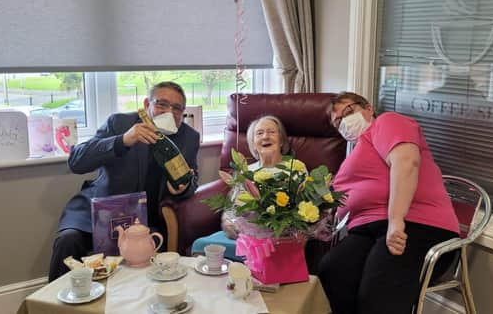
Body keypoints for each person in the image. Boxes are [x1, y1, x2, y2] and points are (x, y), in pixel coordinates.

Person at [319, 92, 460, 314]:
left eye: (348, 112)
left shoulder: (387, 122)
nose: (344, 121)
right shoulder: (356, 152)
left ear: (368, 108)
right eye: (338, 122)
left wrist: (396, 219)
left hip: (415, 224)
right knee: (332, 271)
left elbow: (406, 162)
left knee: (378, 295)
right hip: (367, 230)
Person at [48, 81, 200, 281]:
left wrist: (178, 188)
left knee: (153, 255)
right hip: (96, 213)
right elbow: (76, 161)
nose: (169, 112)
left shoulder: (189, 137)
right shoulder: (119, 123)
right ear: (147, 104)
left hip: (145, 221)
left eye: (177, 108)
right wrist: (122, 140)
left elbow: (191, 181)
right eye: (162, 104)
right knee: (68, 241)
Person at [191, 115, 306, 259]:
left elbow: (304, 207)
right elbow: (230, 207)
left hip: (275, 238)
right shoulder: (246, 171)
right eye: (259, 133)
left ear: (281, 140)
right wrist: (227, 222)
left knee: (261, 256)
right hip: (241, 237)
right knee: (201, 245)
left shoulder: (295, 168)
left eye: (271, 132)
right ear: (253, 143)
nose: (265, 137)